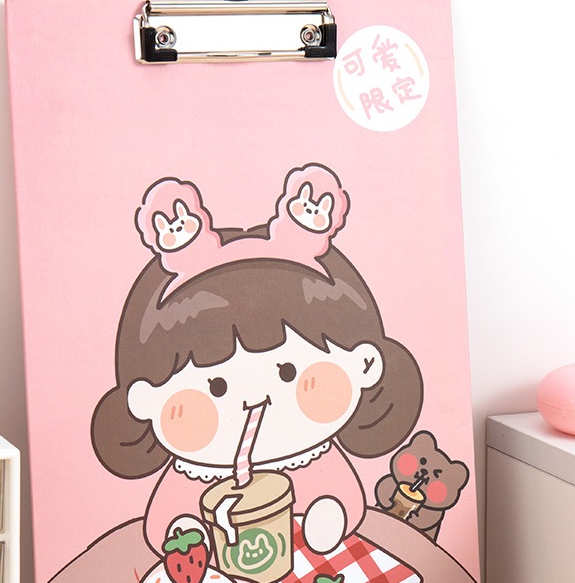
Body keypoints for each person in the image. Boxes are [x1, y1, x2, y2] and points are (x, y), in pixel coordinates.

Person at [92, 164, 423, 555]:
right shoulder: (194, 476)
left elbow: (342, 499)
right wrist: (185, 531)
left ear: (363, 364)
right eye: (216, 386)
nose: (255, 398)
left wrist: (328, 515)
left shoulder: (312, 458)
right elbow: (167, 524)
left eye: (288, 371)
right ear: (145, 401)